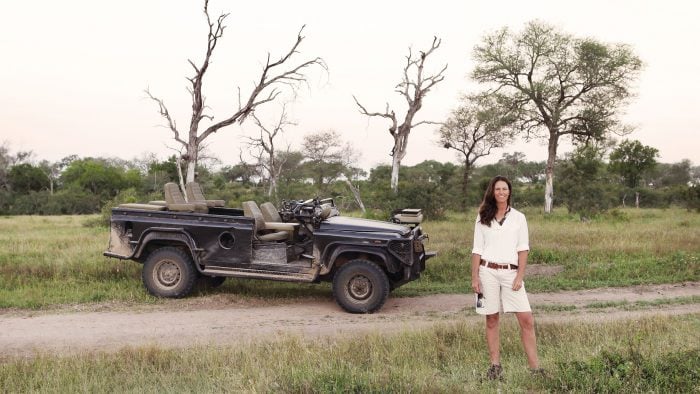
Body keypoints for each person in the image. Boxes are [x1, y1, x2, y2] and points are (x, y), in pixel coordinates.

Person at [470, 175, 541, 380]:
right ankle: (495, 367)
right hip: (487, 271)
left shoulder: (519, 217)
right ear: (492, 191)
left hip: (511, 273)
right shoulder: (483, 216)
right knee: (491, 318)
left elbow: (523, 248)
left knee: (526, 319)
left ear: (509, 192)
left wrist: (520, 275)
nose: (501, 192)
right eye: (497, 189)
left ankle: (535, 369)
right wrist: (475, 278)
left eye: (505, 189)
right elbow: (477, 249)